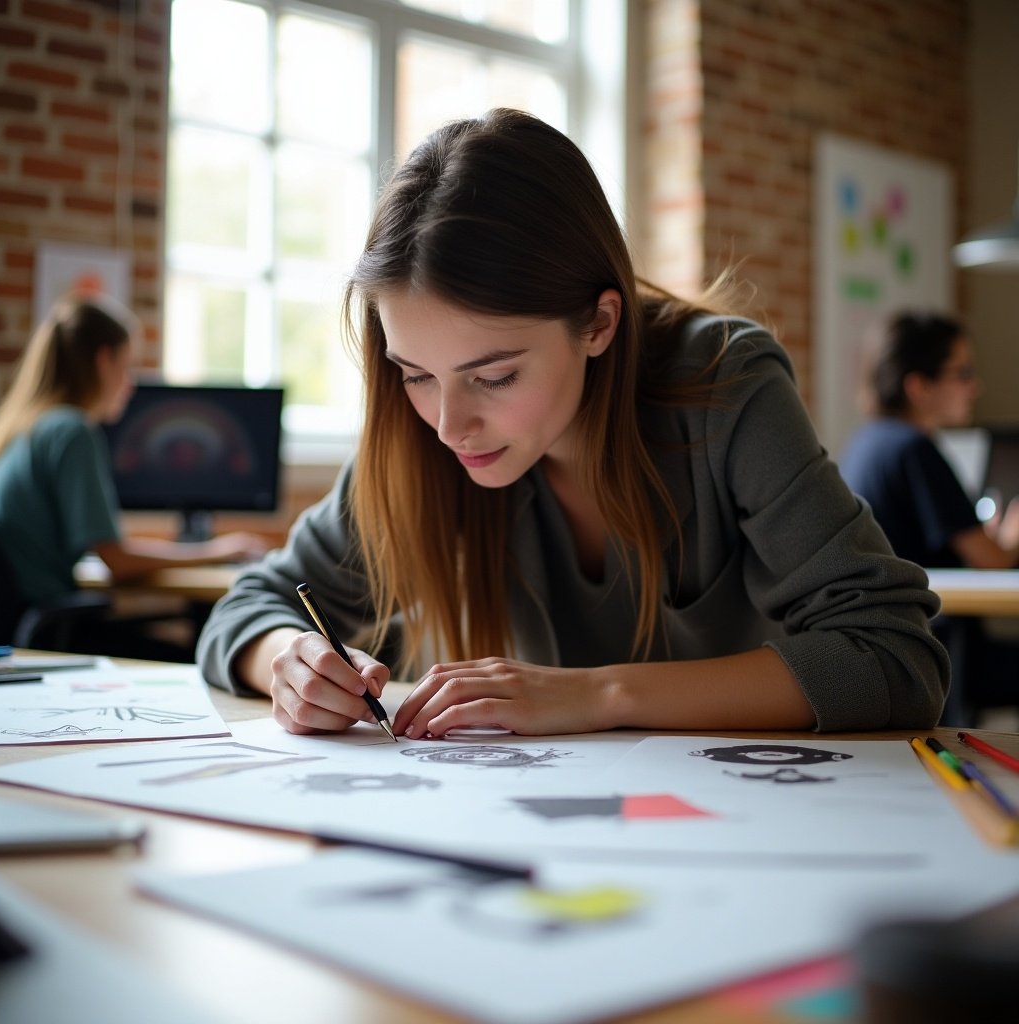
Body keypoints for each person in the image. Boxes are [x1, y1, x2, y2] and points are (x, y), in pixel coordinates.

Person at [197, 108, 947, 736]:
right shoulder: (420, 428)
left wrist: (596, 694)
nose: (450, 424)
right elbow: (251, 605)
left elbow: (894, 656)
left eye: (494, 375)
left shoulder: (725, 382)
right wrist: (288, 660)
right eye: (416, 374)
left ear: (597, 323)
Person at [0, 296, 267, 659]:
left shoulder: (24, 428)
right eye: (128, 366)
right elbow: (117, 561)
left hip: (19, 625)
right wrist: (218, 550)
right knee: (200, 657)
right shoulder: (71, 431)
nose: (130, 384)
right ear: (103, 360)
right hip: (45, 632)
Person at [838, 310, 1019, 724]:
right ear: (919, 386)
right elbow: (990, 559)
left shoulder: (868, 441)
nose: (976, 387)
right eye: (963, 372)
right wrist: (1011, 536)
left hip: (887, 647)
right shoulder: (914, 451)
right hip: (935, 652)